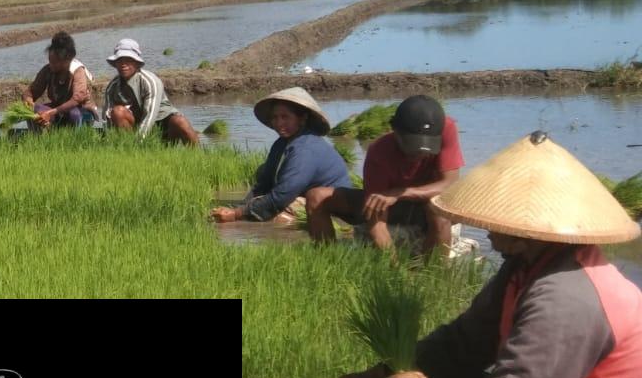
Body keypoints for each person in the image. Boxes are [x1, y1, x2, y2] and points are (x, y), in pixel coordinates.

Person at [335, 131, 642, 378]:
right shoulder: (526, 269)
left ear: (524, 229)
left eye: (493, 220)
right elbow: (462, 344)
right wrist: (376, 376)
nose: (485, 228)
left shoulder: (566, 296)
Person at [304, 95, 463, 253]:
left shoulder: (445, 127)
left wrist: (399, 193)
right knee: (317, 197)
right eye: (412, 147)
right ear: (395, 131)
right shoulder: (379, 152)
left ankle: (436, 272)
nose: (419, 154)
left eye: (425, 148)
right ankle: (328, 257)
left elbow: (450, 183)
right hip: (394, 208)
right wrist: (395, 270)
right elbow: (376, 222)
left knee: (437, 208)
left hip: (426, 205)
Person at [211, 87, 351, 224]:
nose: (279, 123)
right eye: (275, 117)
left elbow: (282, 196)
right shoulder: (281, 143)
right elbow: (264, 184)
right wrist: (239, 207)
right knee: (262, 171)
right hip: (301, 195)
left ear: (302, 118)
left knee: (277, 220)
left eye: (285, 117)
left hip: (330, 208)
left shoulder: (306, 148)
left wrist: (237, 214)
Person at [102, 38, 199, 145]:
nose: (123, 64)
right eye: (120, 60)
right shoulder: (112, 87)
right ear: (115, 63)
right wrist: (108, 140)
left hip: (162, 123)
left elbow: (150, 114)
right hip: (137, 124)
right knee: (118, 112)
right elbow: (107, 119)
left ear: (137, 63)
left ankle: (198, 155)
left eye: (128, 60)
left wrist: (139, 142)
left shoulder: (150, 81)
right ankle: (128, 146)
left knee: (180, 121)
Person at [23, 32, 94, 130]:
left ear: (67, 59)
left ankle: (77, 139)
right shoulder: (48, 71)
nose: (51, 65)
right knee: (36, 110)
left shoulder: (77, 71)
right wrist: (28, 100)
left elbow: (77, 100)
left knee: (74, 113)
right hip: (58, 111)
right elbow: (31, 92)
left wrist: (51, 113)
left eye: (55, 62)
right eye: (50, 61)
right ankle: (39, 138)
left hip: (81, 111)